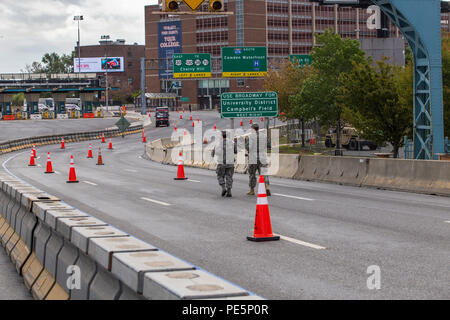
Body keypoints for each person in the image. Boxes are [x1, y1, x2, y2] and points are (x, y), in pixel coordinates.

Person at [246, 123, 271, 196]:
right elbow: (269, 145)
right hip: (262, 156)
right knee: (264, 173)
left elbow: (248, 147)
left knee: (252, 174)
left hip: (253, 157)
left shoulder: (250, 137)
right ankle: (267, 187)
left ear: (253, 129)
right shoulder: (264, 136)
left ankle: (252, 190)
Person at [212, 130, 237, 197]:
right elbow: (236, 151)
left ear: (221, 136)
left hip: (221, 163)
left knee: (220, 175)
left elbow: (214, 153)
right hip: (230, 163)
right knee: (229, 177)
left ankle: (223, 188)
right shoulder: (232, 142)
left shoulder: (218, 143)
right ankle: (229, 191)